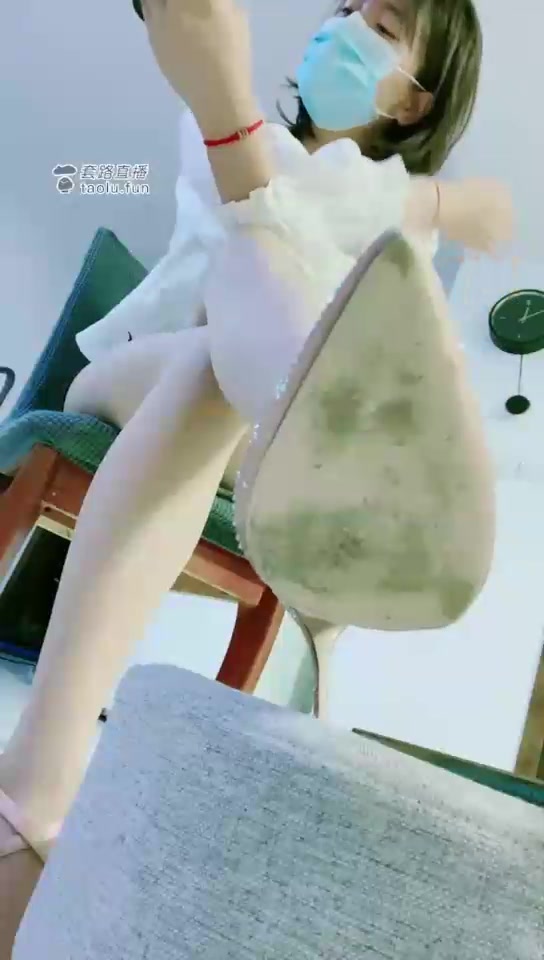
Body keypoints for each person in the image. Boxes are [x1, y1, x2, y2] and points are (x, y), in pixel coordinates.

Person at [0, 0, 512, 941]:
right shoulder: (248, 140)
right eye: (348, 7)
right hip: (129, 380)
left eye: (383, 26)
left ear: (415, 100)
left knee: (281, 367)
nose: (346, 24)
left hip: (256, 440)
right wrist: (441, 204)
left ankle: (25, 812)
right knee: (215, 345)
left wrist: (429, 215)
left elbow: (378, 233)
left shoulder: (400, 230)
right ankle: (329, 455)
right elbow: (275, 196)